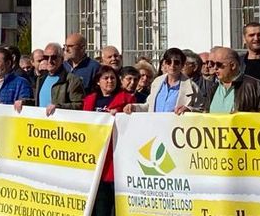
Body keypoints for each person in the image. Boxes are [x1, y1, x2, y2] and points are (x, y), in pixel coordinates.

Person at [82, 66, 132, 216]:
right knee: (100, 207)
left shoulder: (127, 99)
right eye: (106, 78)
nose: (110, 81)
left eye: (113, 78)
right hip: (96, 157)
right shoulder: (90, 100)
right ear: (98, 81)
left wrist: (121, 115)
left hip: (116, 156)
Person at [190, 47, 260, 114]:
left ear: (233, 65)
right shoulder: (213, 88)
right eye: (212, 64)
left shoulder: (256, 87)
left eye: (218, 64)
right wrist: (190, 110)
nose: (214, 68)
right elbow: (205, 114)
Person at [14, 43, 84, 116]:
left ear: (62, 59)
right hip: (41, 125)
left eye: (53, 57)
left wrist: (58, 107)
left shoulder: (71, 80)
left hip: (60, 125)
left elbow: (79, 105)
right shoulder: (41, 79)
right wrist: (24, 102)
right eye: (46, 57)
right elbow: (39, 102)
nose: (49, 61)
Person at [126, 48, 200, 114]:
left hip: (177, 127)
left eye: (176, 62)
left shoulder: (192, 87)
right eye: (168, 62)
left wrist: (189, 110)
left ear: (182, 65)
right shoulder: (157, 82)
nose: (172, 65)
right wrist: (134, 107)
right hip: (155, 127)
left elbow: (203, 110)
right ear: (164, 64)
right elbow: (149, 107)